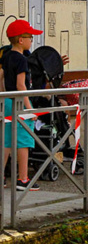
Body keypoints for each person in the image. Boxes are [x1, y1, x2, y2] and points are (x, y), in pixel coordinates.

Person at [1, 20, 43, 191]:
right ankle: (23, 178)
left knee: (6, 141)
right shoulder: (22, 60)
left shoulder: (6, 56)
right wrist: (29, 108)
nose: (31, 40)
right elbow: (21, 85)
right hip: (20, 102)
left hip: (8, 101)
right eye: (30, 37)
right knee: (23, 141)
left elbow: (1, 79)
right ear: (20, 40)